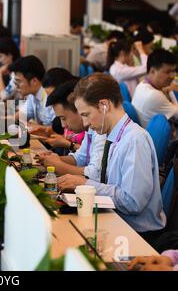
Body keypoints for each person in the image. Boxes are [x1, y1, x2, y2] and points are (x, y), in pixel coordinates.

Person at [57, 73, 166, 242]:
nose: (85, 123)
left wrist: (86, 184)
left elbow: (133, 202)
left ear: (104, 105)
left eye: (86, 114)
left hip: (136, 234)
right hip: (116, 220)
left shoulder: (134, 140)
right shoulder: (112, 136)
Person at [38, 81, 106, 181]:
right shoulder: (91, 129)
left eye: (63, 118)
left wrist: (59, 166)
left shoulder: (100, 130)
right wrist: (53, 160)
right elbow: (80, 158)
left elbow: (95, 174)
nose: (63, 125)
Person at [132, 49, 178, 128]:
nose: (172, 76)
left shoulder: (141, 85)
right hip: (157, 139)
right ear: (152, 71)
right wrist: (171, 91)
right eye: (168, 72)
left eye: (174, 71)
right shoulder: (154, 95)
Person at [9, 56, 56, 131]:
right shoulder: (32, 96)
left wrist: (37, 127)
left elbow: (61, 130)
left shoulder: (50, 96)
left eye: (19, 81)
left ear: (34, 81)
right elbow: (18, 117)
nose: (16, 86)